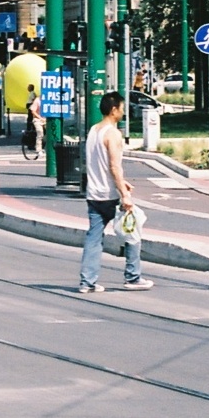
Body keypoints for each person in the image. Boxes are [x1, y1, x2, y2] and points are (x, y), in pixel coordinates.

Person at [79, 91, 153, 293]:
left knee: (94, 238)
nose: (123, 111)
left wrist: (122, 182)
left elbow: (97, 163)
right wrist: (124, 194)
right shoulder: (113, 134)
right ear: (114, 110)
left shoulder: (94, 131)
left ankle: (87, 282)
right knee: (132, 231)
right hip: (111, 195)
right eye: (121, 108)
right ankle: (133, 276)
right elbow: (114, 166)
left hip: (93, 194)